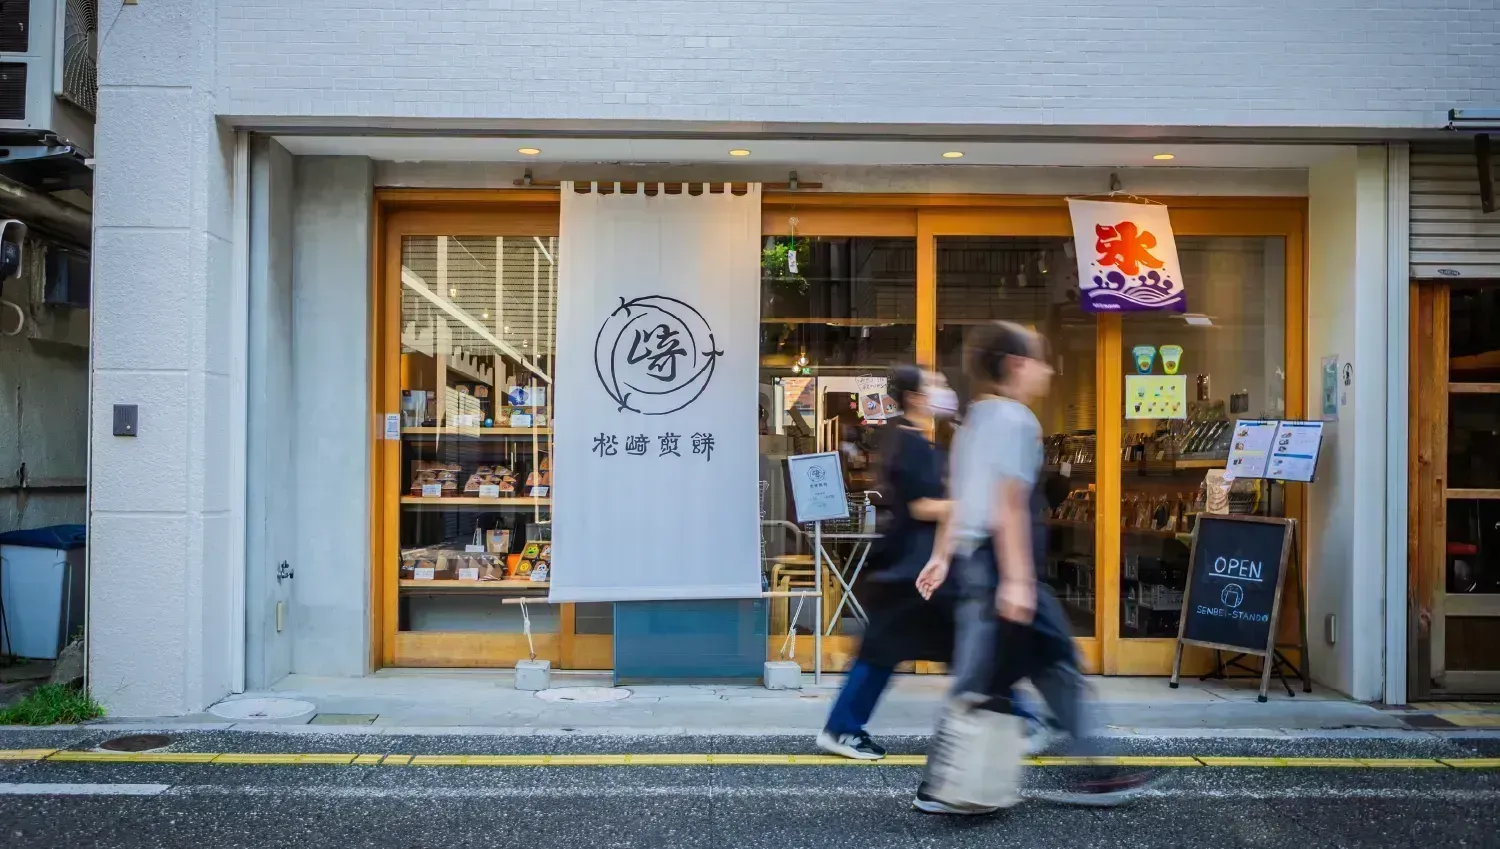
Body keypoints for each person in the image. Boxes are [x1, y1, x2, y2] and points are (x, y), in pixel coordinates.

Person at [914, 321, 1152, 813]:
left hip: (981, 565)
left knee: (1039, 669)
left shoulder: (974, 420)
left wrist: (943, 556)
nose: (1048, 370)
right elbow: (1008, 505)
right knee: (1001, 675)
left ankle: (1097, 773)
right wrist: (1018, 582)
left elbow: (959, 498)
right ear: (1016, 365)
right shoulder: (1015, 420)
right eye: (1041, 360)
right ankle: (945, 785)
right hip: (1003, 569)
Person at [816, 366, 959, 760]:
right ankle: (842, 728)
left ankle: (843, 727)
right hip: (912, 567)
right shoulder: (910, 444)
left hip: (914, 565)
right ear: (914, 397)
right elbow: (921, 506)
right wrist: (971, 504)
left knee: (901, 649)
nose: (944, 390)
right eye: (936, 385)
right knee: (889, 650)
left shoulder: (914, 440)